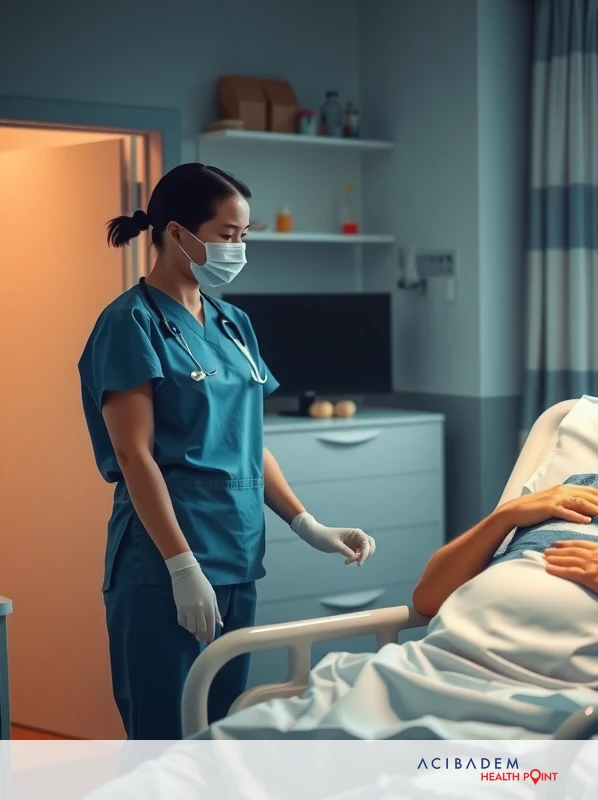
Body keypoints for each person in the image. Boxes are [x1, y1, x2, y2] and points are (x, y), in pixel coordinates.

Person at [164, 335, 598, 741]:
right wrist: (511, 516)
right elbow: (426, 600)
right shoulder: (573, 490)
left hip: (555, 720)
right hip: (413, 679)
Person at [77, 163, 377, 740]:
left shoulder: (234, 324)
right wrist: (181, 566)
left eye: (243, 237)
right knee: (164, 735)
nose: (237, 249)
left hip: (238, 554)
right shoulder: (128, 324)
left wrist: (307, 524)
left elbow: (249, 442)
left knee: (219, 730)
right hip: (165, 560)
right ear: (175, 233)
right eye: (225, 235)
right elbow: (136, 457)